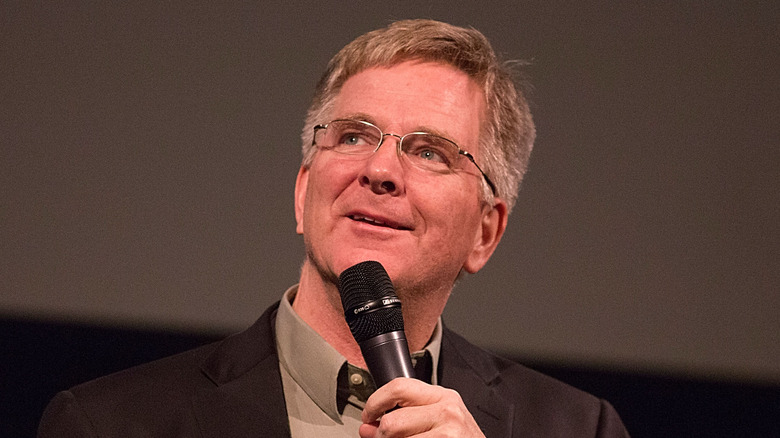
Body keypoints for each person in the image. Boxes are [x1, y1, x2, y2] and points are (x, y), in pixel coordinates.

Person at [38, 19, 629, 437]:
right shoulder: (109, 424)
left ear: (485, 232)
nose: (379, 169)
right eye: (352, 136)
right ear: (302, 194)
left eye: (430, 152)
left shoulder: (579, 428)